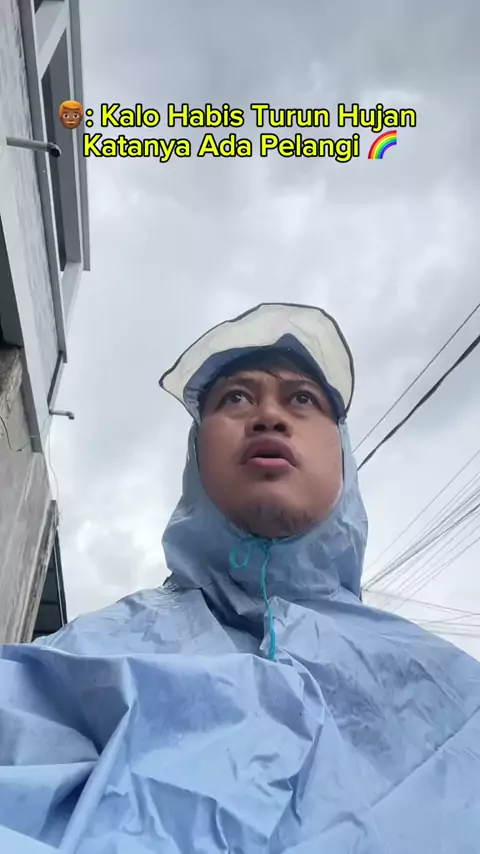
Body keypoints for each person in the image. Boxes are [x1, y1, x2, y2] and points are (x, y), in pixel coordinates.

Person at [0, 302, 479, 854]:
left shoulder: (452, 693)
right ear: (197, 455)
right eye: (235, 398)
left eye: (302, 399)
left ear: (343, 454)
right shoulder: (84, 657)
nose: (269, 417)